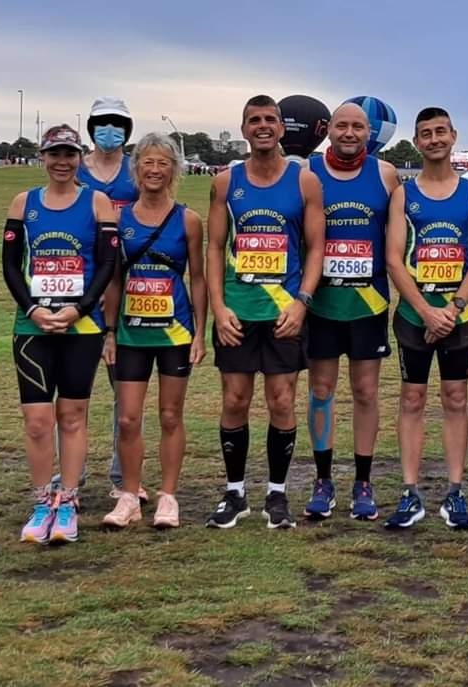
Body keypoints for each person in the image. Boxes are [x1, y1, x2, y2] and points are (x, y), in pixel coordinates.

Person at [204, 94, 324, 530]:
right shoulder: (225, 182)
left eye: (270, 119)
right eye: (254, 120)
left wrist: (302, 302)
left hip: (283, 313)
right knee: (235, 400)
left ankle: (277, 494)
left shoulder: (304, 182)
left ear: (281, 128)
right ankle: (234, 493)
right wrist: (218, 308)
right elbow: (214, 249)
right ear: (244, 128)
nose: (263, 126)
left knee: (282, 400)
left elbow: (317, 249)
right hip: (238, 312)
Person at [2, 124, 118, 544]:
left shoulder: (97, 202)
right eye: (55, 155)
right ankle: (40, 501)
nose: (63, 162)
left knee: (71, 416)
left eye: (70, 154)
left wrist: (78, 309)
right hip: (31, 327)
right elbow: (11, 265)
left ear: (80, 157)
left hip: (80, 325)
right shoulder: (24, 202)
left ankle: (67, 502)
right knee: (36, 421)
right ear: (43, 158)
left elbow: (107, 264)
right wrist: (32, 308)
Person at [383, 107, 468, 530]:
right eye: (425, 133)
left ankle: (455, 491)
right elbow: (394, 258)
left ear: (453, 136)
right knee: (412, 399)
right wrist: (427, 310)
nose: (433, 139)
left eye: (440, 132)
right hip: (414, 315)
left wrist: (454, 308)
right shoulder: (404, 196)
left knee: (456, 399)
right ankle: (410, 492)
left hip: (457, 317)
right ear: (417, 140)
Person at [100, 133, 207, 529]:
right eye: (148, 162)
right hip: (129, 334)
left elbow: (198, 279)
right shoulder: (118, 219)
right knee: (128, 419)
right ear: (136, 169)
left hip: (175, 334)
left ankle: (168, 497)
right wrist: (109, 332)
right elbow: (112, 279)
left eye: (163, 163)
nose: (155, 170)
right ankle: (128, 495)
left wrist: (199, 332)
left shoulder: (188, 220)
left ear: (174, 170)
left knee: (169, 415)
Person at [302, 103, 400, 521]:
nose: (348, 132)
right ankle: (323, 480)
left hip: (368, 302)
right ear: (328, 130)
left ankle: (363, 481)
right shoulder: (307, 172)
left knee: (365, 393)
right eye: (341, 125)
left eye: (357, 126)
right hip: (321, 303)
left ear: (369, 132)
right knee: (321, 391)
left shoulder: (386, 175)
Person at [74, 95, 144, 502]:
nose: (110, 129)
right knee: (75, 393)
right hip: (80, 290)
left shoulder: (135, 174)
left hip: (129, 291)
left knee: (127, 393)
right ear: (91, 127)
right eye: (103, 122)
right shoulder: (75, 169)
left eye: (118, 123)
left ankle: (124, 477)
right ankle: (71, 479)